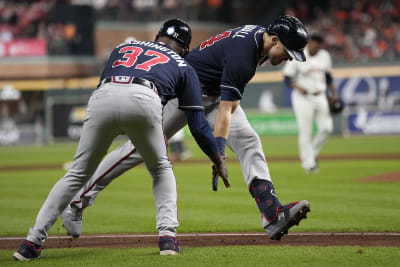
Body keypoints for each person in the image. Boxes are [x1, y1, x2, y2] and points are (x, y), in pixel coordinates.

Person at [62, 15, 311, 242]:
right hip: (183, 90)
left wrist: (219, 150)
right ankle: (77, 200)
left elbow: (226, 104)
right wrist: (219, 153)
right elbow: (226, 110)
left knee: (248, 140)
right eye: (288, 51)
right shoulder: (243, 56)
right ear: (274, 39)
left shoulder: (260, 38)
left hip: (211, 93)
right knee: (138, 149)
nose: (289, 57)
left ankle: (271, 213)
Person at [13, 19, 229, 261]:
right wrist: (217, 158)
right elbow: (198, 126)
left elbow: (112, 81)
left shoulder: (122, 48)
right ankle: (168, 238)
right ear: (185, 49)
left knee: (77, 173)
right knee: (160, 168)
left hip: (104, 94)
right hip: (144, 99)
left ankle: (31, 243)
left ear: (158, 36)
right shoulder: (184, 65)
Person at [283, 33, 338, 173]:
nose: (317, 49)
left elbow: (328, 76)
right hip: (303, 97)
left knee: (327, 128)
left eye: (319, 46)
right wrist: (298, 87)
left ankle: (311, 155)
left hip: (320, 95)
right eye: (315, 45)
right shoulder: (297, 55)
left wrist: (334, 94)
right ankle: (308, 164)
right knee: (305, 130)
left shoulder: (324, 55)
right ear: (309, 44)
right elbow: (287, 79)